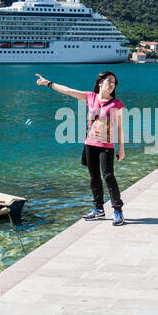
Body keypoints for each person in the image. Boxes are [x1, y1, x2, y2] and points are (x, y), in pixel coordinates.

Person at [36, 70, 127, 225]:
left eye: (114, 82)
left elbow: (120, 127)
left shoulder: (116, 104)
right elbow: (69, 91)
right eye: (109, 81)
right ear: (100, 83)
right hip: (89, 144)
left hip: (106, 146)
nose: (112, 85)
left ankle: (118, 211)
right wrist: (49, 83)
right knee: (94, 177)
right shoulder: (90, 97)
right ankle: (98, 209)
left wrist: (121, 148)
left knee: (108, 176)